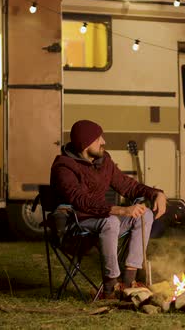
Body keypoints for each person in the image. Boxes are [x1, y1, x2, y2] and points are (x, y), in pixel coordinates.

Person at [50, 120, 167, 298]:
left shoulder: (103, 162)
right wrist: (120, 210)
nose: (103, 141)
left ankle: (129, 282)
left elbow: (128, 185)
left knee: (146, 214)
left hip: (101, 219)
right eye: (98, 139)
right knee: (111, 221)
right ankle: (110, 287)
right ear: (85, 143)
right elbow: (79, 200)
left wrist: (156, 193)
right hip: (75, 224)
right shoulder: (64, 167)